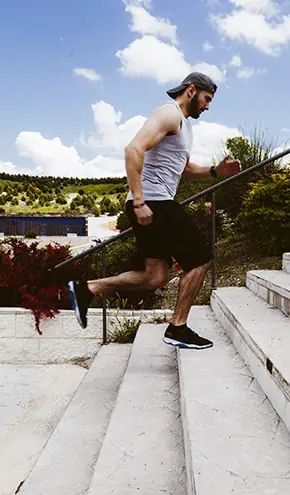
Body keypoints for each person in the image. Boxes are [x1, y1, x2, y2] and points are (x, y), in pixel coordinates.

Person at [67, 72, 241, 350]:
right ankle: (178, 327)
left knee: (155, 277)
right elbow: (133, 149)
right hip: (154, 202)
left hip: (153, 202)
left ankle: (88, 288)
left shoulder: (183, 125)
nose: (208, 106)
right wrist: (139, 201)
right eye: (207, 99)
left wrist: (214, 171)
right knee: (200, 257)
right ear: (192, 90)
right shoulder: (169, 113)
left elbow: (182, 169)